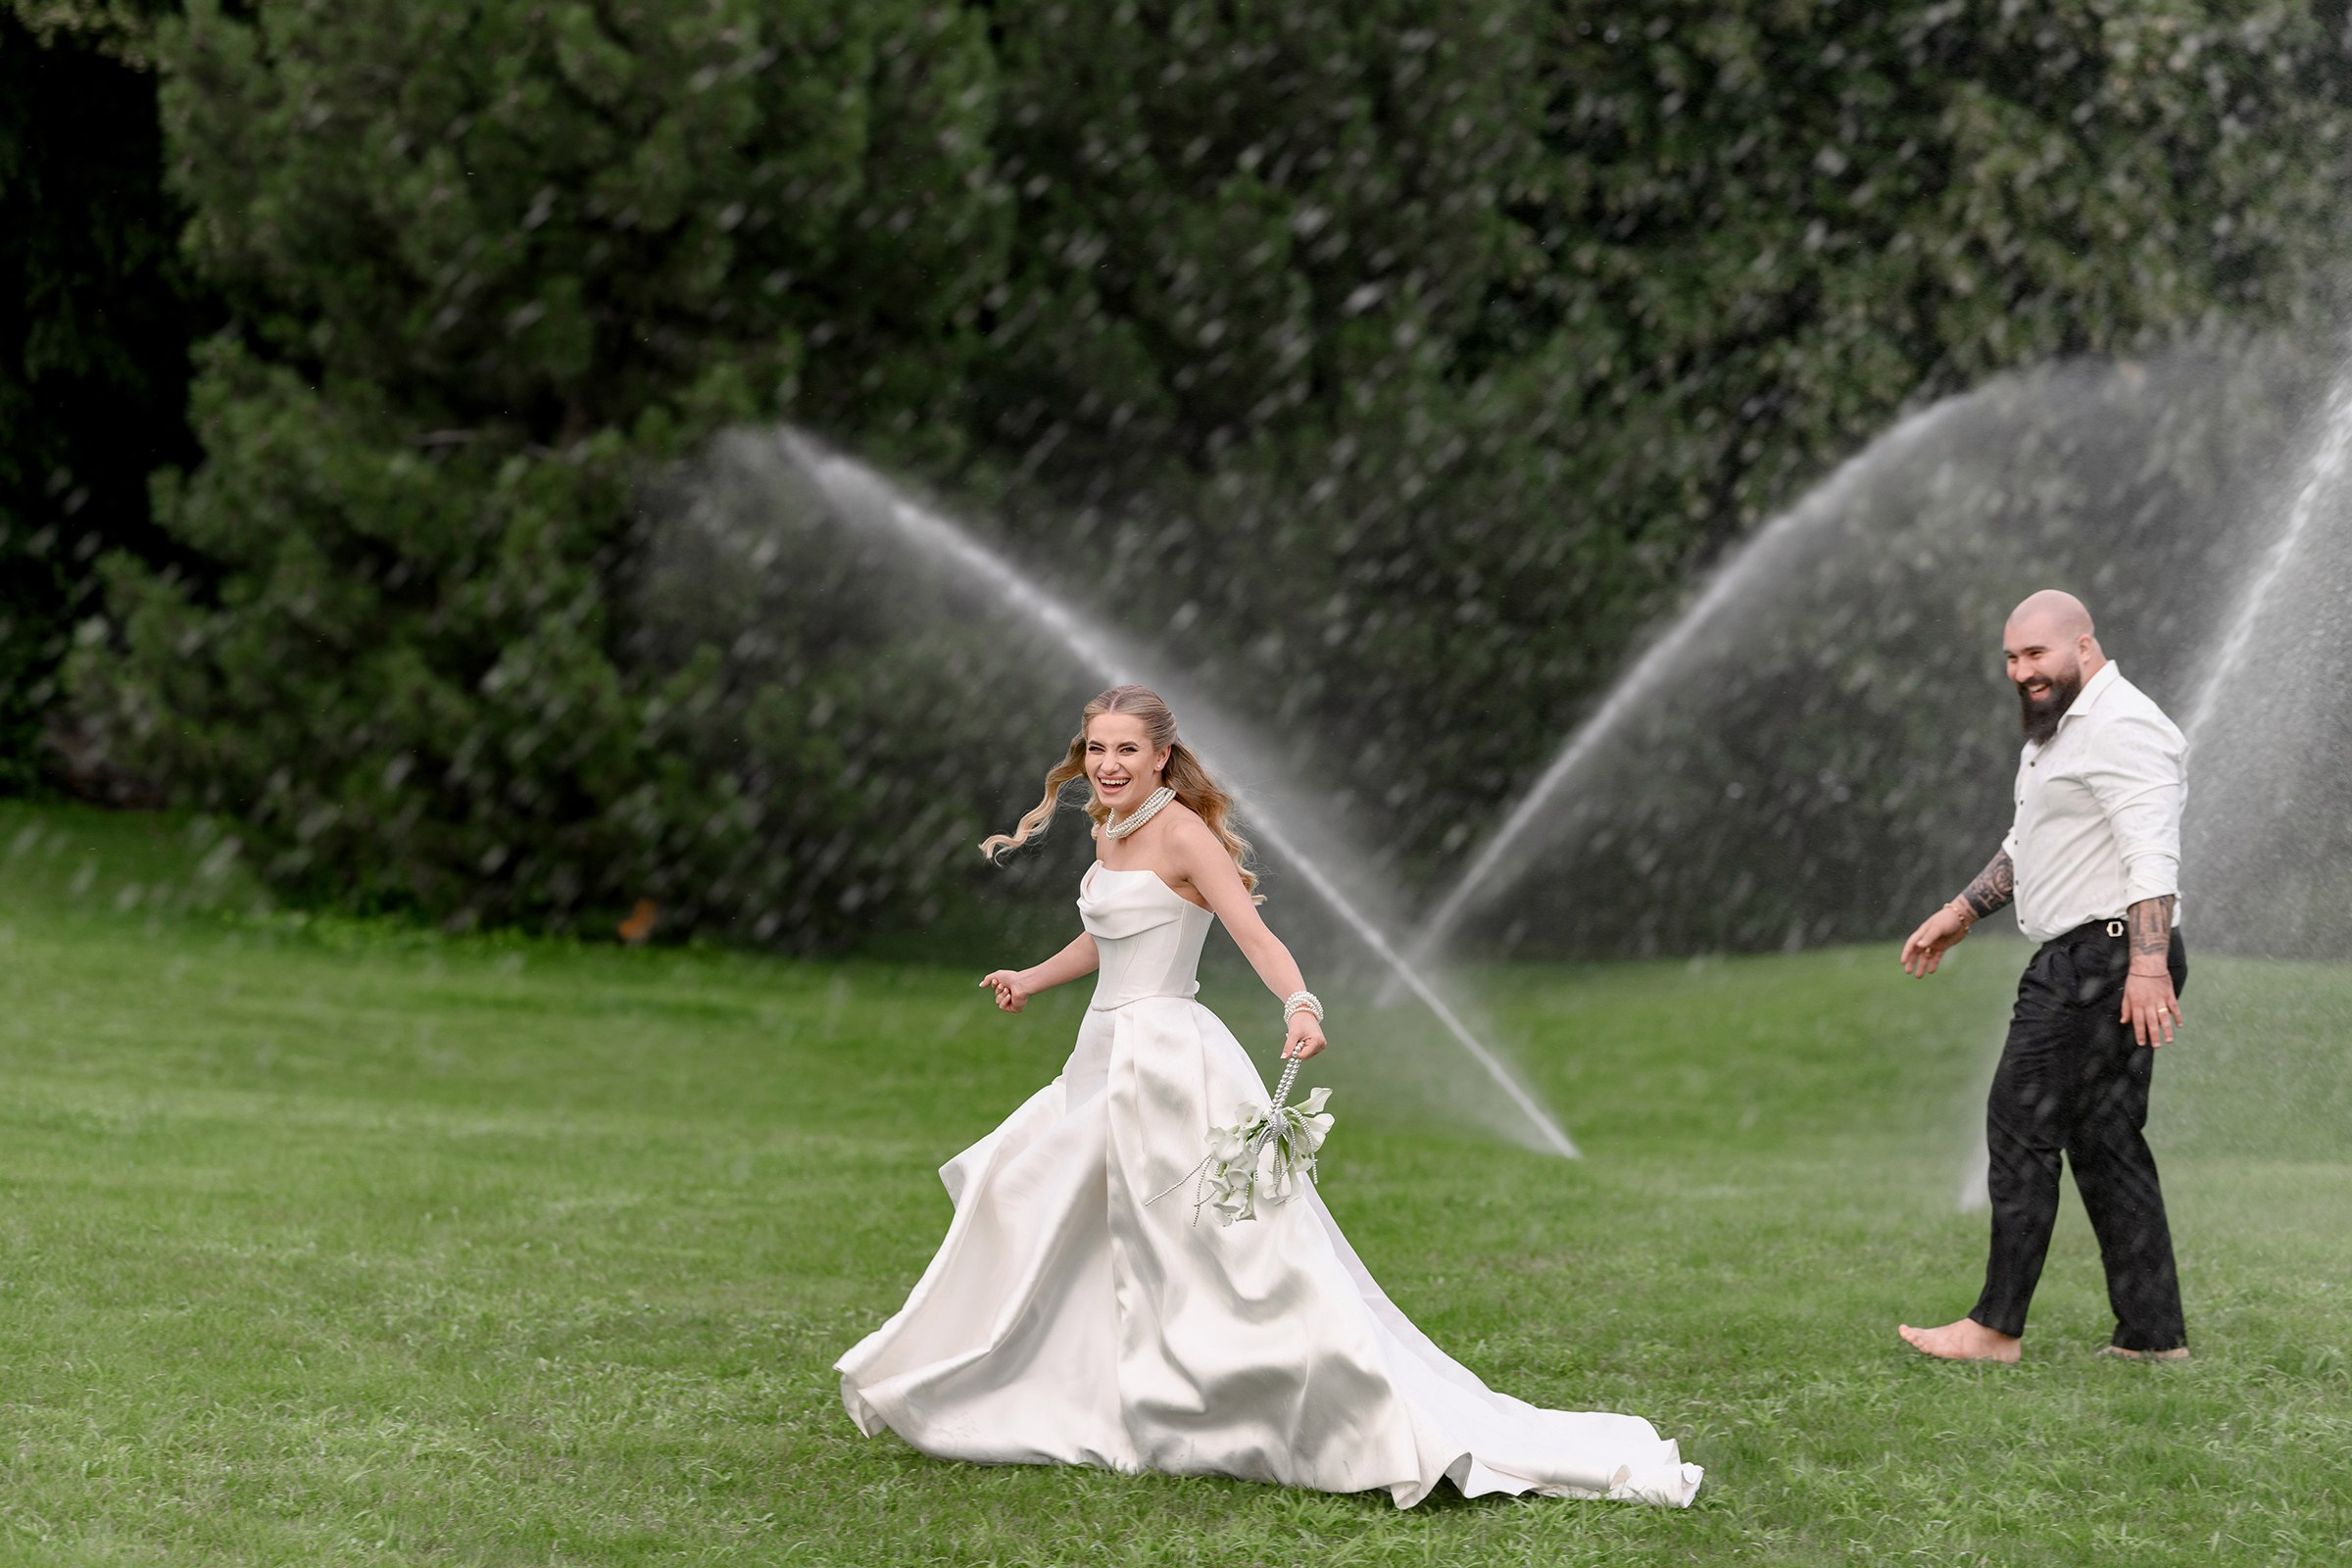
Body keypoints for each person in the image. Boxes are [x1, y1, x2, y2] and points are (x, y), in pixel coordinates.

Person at [835, 684, 1702, 1506]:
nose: (1106, 764)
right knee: (1056, 1208)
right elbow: (1106, 935)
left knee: (1217, 1248)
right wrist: (1033, 976)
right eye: (1095, 748)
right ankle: (1084, 1387)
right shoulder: (1107, 828)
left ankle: (1286, 1401)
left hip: (1169, 1059)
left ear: (1162, 754)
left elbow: (1251, 931)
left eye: (1125, 749)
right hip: (1098, 1053)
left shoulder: (1182, 835)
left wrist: (1300, 1002)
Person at [1897, 591, 2191, 1364]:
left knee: (2019, 1124)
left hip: (2107, 955)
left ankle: (1994, 1329)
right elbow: (2029, 844)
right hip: (2104, 954)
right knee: (2106, 1142)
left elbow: (2151, 851)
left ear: (2084, 647)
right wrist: (1964, 910)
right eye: (2012, 657)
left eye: (2038, 654)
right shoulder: (2059, 734)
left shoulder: (2121, 723)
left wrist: (2149, 963)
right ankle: (2154, 1339)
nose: (2023, 670)